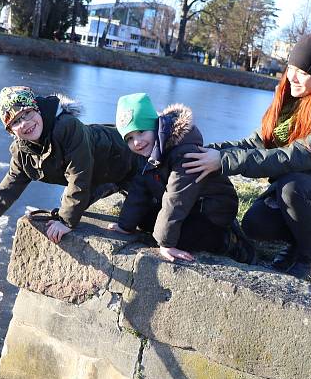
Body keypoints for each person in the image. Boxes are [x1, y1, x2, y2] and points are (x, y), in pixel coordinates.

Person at [183, 30, 311, 279]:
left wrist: (224, 162)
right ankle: (300, 241)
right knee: (255, 223)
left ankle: (308, 259)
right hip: (305, 186)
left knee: (293, 188)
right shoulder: (293, 100)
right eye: (291, 66)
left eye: (303, 72)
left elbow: (293, 156)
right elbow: (256, 143)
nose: (293, 76)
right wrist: (206, 151)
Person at [0, 86, 139, 243]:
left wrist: (66, 222)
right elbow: (8, 188)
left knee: (149, 223)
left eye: (27, 113)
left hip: (133, 159)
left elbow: (79, 175)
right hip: (102, 175)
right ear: (10, 130)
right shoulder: (22, 152)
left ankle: (118, 187)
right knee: (67, 203)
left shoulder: (68, 128)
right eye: (15, 121)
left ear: (37, 108)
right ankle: (110, 185)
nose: (25, 123)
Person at [108, 93, 254, 264]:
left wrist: (166, 244)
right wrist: (125, 226)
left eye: (141, 132)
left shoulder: (184, 153)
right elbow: (139, 191)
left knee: (180, 239)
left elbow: (177, 198)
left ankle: (229, 241)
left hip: (211, 210)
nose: (137, 142)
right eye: (129, 138)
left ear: (155, 127)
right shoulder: (147, 153)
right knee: (145, 220)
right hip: (189, 208)